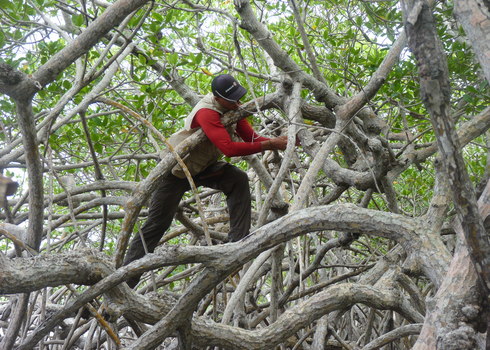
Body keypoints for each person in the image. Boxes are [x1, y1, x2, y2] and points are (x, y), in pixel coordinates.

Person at [123, 74, 288, 288]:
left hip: (203, 166)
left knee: (237, 180)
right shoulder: (206, 112)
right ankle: (125, 282)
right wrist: (271, 144)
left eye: (239, 98)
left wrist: (282, 141)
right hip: (176, 171)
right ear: (218, 99)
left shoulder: (232, 109)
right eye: (233, 100)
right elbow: (228, 148)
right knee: (156, 225)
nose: (238, 104)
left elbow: (252, 139)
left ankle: (237, 243)